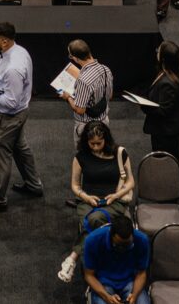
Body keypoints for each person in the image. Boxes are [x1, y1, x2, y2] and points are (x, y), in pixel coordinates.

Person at [0, 22, 43, 214]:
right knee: (20, 148)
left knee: (1, 155)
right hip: (20, 113)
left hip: (9, 117)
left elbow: (10, 102)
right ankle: (34, 185)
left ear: (4, 41)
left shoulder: (13, 68)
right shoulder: (20, 50)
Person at [57, 122, 137, 286]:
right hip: (88, 201)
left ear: (106, 139)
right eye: (91, 143)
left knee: (94, 220)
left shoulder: (120, 153)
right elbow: (75, 186)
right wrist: (85, 197)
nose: (94, 147)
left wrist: (116, 195)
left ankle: (73, 257)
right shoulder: (80, 157)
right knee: (94, 220)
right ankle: (104, 268)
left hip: (114, 200)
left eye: (98, 143)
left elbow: (130, 183)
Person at [59, 40, 113, 142]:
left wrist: (68, 97)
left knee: (85, 156)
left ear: (75, 58)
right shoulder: (106, 70)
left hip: (86, 127)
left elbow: (80, 110)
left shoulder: (83, 80)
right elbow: (109, 96)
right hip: (104, 122)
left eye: (71, 56)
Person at [142, 41, 179, 160]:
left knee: (166, 162)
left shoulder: (167, 83)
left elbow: (163, 111)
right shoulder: (176, 73)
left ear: (164, 59)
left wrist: (144, 105)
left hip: (166, 131)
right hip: (170, 127)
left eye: (159, 51)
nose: (157, 52)